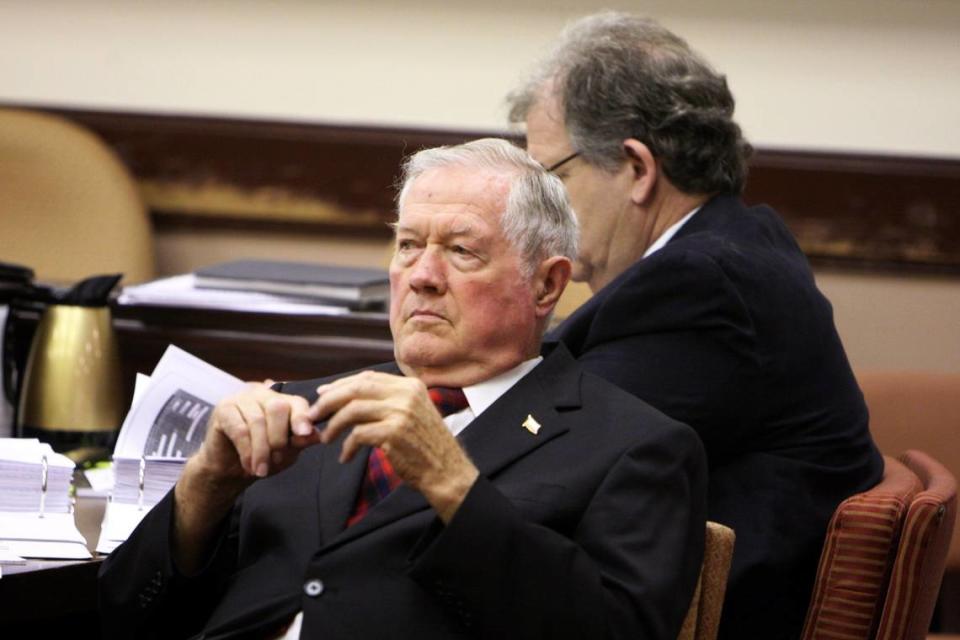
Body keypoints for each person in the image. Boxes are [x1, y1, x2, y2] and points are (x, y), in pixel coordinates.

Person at [98, 138, 708, 640]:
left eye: (461, 251)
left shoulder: (634, 448)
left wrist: (453, 485)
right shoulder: (301, 407)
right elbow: (122, 619)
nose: (421, 277)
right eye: (409, 245)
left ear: (546, 286)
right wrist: (204, 486)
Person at [506, 12, 884, 640]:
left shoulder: (703, 288)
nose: (537, 210)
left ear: (636, 168)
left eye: (552, 178)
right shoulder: (732, 246)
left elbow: (546, 455)